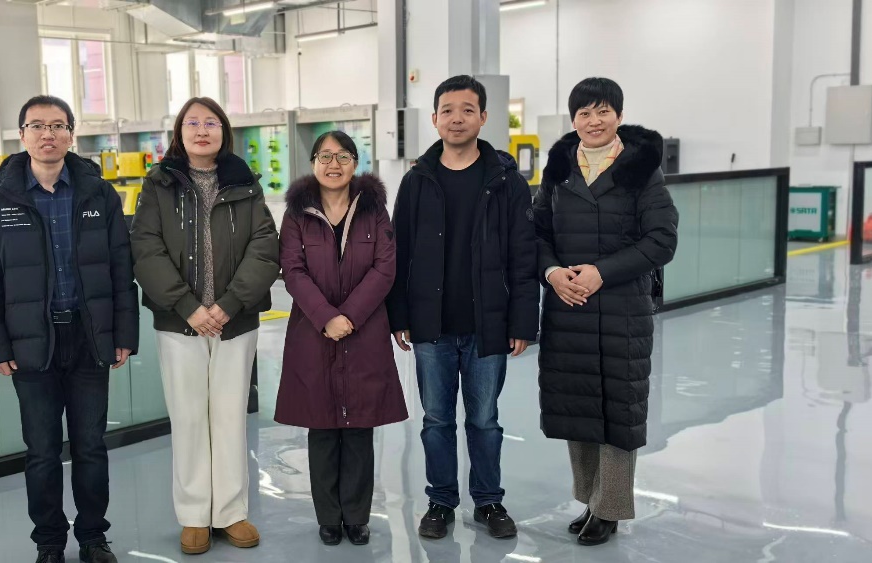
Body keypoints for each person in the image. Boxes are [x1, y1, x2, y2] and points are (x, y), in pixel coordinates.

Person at [0, 95, 137, 563]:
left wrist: (124, 334)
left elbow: (121, 269)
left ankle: (93, 537)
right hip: (31, 344)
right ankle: (49, 543)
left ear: (71, 134)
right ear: (22, 135)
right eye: (38, 126)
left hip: (88, 338)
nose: (48, 134)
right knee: (42, 451)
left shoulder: (98, 194)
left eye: (58, 126)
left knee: (91, 447)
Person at [385, 75, 540, 540]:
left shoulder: (507, 182)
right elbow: (398, 252)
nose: (457, 118)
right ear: (435, 119)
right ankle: (441, 502)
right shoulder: (416, 181)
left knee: (485, 421)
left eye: (467, 110)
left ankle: (489, 501)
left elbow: (524, 256)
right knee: (436, 420)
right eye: (448, 110)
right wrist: (399, 315)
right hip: (430, 326)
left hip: (487, 325)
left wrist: (522, 322)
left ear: (484, 117)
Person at [130, 97, 280, 555]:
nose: (201, 130)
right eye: (192, 123)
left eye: (210, 122)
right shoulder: (158, 183)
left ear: (223, 131)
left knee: (231, 415)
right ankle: (195, 515)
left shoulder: (245, 183)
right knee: (190, 417)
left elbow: (264, 246)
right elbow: (146, 248)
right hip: (180, 322)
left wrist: (229, 304)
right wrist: (188, 306)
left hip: (235, 320)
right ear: (179, 133)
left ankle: (231, 512)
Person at [533, 77, 679, 546]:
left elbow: (662, 239)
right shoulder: (558, 169)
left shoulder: (641, 170)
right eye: (584, 113)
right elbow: (536, 234)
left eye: (603, 112)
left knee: (619, 407)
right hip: (568, 304)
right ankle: (590, 499)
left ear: (618, 115)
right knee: (577, 403)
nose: (593, 121)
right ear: (573, 119)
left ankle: (610, 507)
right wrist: (552, 273)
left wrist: (602, 272)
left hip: (622, 308)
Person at [274, 131, 408, 547]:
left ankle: (357, 516)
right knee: (322, 427)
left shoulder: (374, 210)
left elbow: (385, 268)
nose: (334, 164)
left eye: (343, 156)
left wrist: (348, 316)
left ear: (355, 162)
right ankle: (329, 517)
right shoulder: (297, 214)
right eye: (326, 156)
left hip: (363, 331)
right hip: (313, 332)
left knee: (359, 427)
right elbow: (292, 270)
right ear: (314, 162)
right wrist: (326, 317)